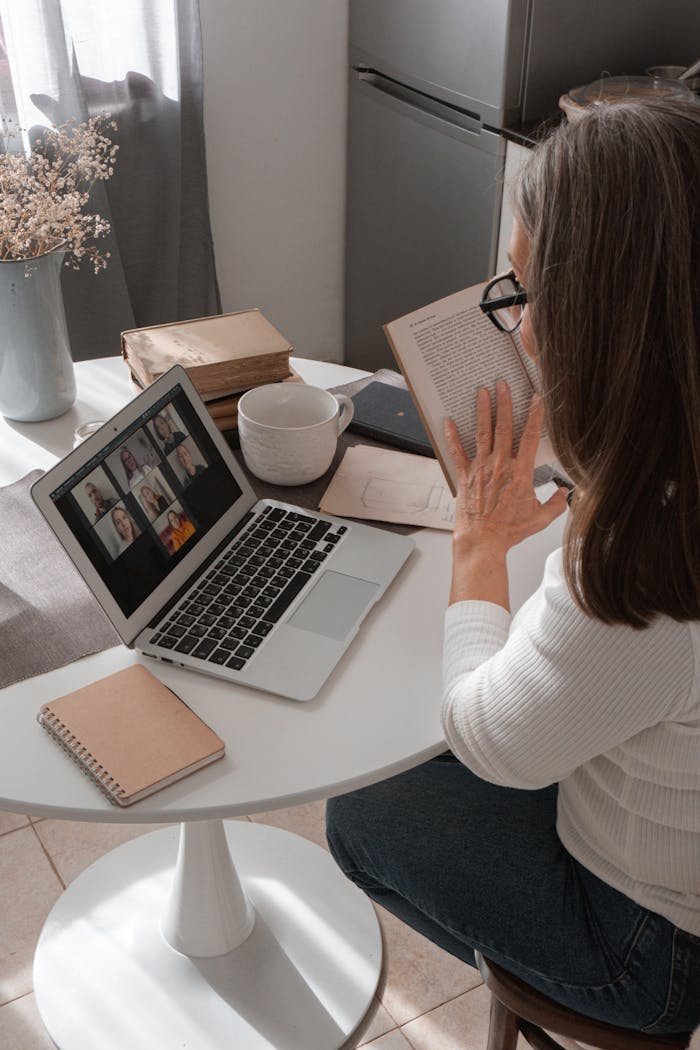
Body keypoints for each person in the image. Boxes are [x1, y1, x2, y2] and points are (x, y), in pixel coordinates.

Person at [326, 97, 700, 1035]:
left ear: (608, 322)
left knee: (359, 813)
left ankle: (552, 983)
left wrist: (478, 549)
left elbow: (493, 743)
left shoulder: (643, 562)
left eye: (531, 301)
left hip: (647, 947)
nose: (521, 335)